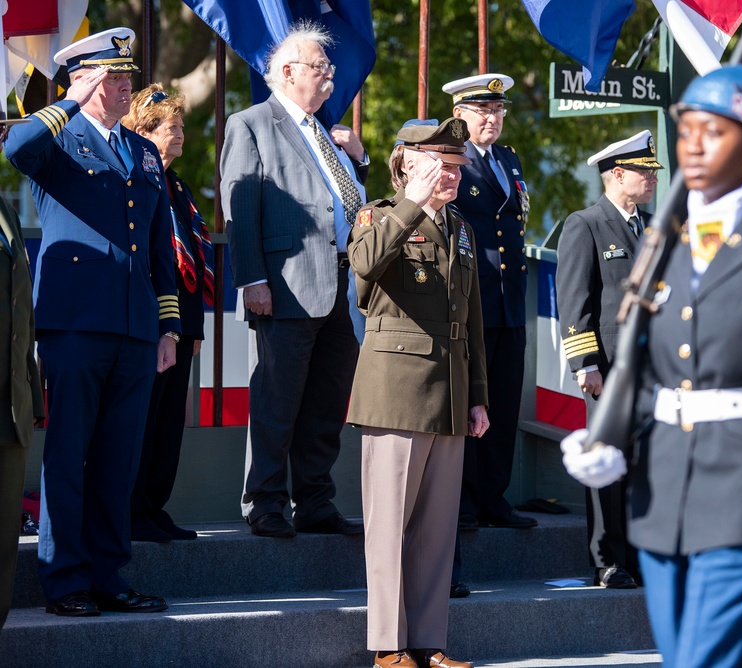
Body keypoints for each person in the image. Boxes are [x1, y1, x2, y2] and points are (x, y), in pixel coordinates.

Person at [560, 65, 742, 667]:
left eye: (711, 132)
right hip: (664, 490)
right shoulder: (668, 241)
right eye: (685, 130)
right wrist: (610, 435)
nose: (690, 145)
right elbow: (654, 361)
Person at [3, 27, 180, 616]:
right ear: (83, 77)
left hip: (134, 326)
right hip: (76, 323)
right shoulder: (59, 136)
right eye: (112, 75)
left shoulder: (144, 151)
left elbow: (160, 246)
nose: (125, 84)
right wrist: (70, 100)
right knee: (71, 453)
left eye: (127, 74)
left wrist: (168, 325)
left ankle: (109, 575)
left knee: (117, 458)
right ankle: (65, 581)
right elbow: (17, 149)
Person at [347, 116, 487, 668]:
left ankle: (430, 642)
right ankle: (388, 645)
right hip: (397, 388)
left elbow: (470, 321)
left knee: (435, 530)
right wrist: (413, 202)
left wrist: (477, 395)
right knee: (388, 525)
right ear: (406, 162)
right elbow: (362, 266)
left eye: (455, 167)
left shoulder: (462, 229)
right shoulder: (379, 216)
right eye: (439, 165)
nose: (450, 176)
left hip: (449, 392)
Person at [221, 21, 367, 539]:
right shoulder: (252, 123)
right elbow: (240, 210)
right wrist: (251, 280)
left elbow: (350, 207)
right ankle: (264, 502)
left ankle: (316, 501)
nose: (330, 76)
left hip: (342, 292)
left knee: (326, 404)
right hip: (283, 288)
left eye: (329, 67)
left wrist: (359, 161)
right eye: (320, 67)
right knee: (276, 402)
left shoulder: (327, 132)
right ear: (287, 72)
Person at [556, 130, 662, 589]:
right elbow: (574, 300)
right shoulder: (586, 223)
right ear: (617, 175)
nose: (651, 179)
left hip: (654, 371)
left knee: (646, 466)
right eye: (643, 171)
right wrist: (586, 365)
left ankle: (640, 555)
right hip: (610, 370)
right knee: (607, 466)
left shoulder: (654, 227)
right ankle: (608, 559)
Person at [121, 84, 213, 543]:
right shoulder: (139, 181)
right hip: (151, 324)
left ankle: (154, 506)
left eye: (180, 126)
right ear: (144, 131)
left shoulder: (176, 184)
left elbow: (190, 258)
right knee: (146, 417)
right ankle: (132, 509)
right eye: (171, 128)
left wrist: (190, 327)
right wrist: (167, 325)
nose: (181, 135)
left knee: (170, 420)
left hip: (179, 325)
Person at [444, 73, 535, 530]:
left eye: (498, 111)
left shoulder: (508, 159)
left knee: (502, 402)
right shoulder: (454, 161)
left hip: (509, 302)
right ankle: (461, 503)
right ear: (459, 114)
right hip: (474, 300)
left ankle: (493, 499)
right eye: (483, 111)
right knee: (468, 404)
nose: (493, 119)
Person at [0, 183, 45, 629]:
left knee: (3, 551)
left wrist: (29, 388)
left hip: (9, 409)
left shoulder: (4, 210)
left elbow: (22, 314)